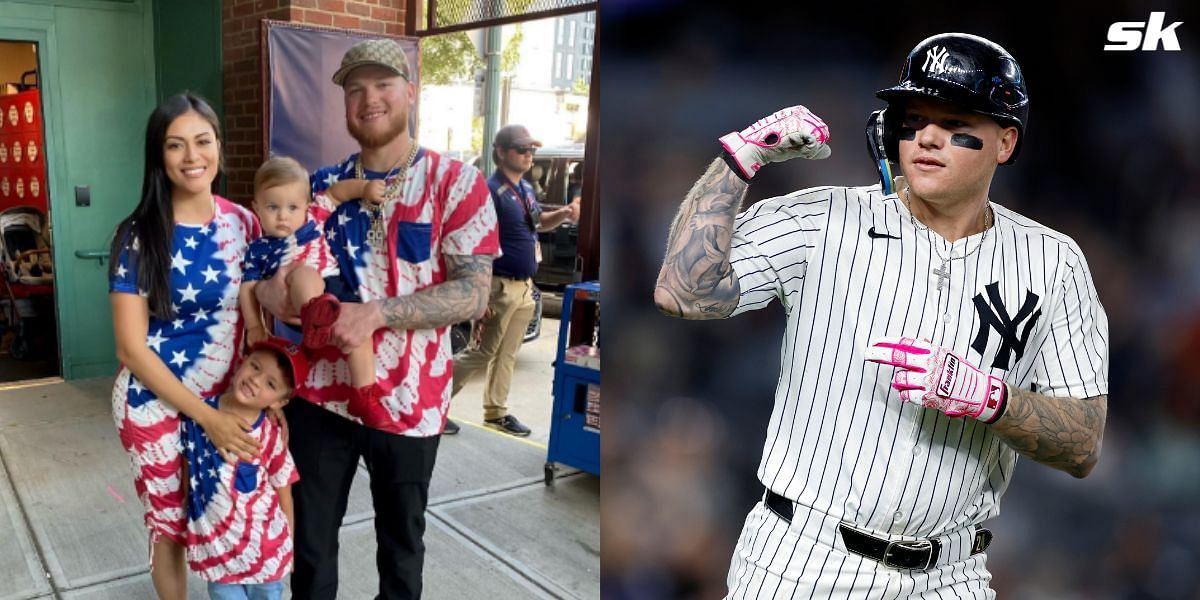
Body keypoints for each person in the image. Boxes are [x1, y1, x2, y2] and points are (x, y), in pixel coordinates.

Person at [654, 33, 1109, 597]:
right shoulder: (823, 218)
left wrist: (993, 400)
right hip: (803, 559)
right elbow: (683, 292)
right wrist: (740, 159)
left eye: (954, 121)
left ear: (1005, 142)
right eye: (913, 118)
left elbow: (1083, 446)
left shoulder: (1053, 261)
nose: (927, 138)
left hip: (952, 572)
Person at [253, 38, 499, 599]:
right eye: (355, 89)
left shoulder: (454, 182)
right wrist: (273, 293)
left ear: (410, 92)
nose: (370, 99)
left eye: (383, 85)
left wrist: (376, 314)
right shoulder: (317, 187)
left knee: (401, 548)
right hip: (320, 397)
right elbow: (274, 264)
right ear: (343, 103)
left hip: (410, 401)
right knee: (309, 547)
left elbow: (472, 293)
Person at [109, 92, 262, 600]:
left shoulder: (244, 223)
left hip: (231, 402)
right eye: (175, 146)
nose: (192, 157)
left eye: (202, 141)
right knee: (171, 528)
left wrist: (261, 398)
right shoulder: (137, 235)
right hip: (154, 404)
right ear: (159, 156)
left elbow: (256, 320)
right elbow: (131, 350)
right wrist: (207, 417)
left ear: (219, 144)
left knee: (234, 511)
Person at [446, 124, 579, 436]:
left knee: (506, 354)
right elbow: (472, 241)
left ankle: (496, 412)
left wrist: (564, 213)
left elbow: (537, 224)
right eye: (522, 149)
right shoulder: (489, 191)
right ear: (501, 152)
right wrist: (480, 292)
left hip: (523, 287)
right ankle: (430, 402)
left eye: (531, 149)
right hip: (499, 284)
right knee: (482, 351)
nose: (529, 154)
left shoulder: (526, 189)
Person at [239, 155, 385, 416]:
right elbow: (248, 287)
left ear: (306, 206)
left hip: (334, 285)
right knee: (302, 274)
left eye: (292, 208)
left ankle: (364, 392)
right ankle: (314, 314)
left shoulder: (313, 218)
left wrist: (364, 189)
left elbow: (336, 194)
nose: (283, 216)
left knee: (359, 335)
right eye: (272, 207)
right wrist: (255, 326)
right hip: (299, 293)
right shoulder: (258, 249)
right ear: (256, 208)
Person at [181, 336, 307, 599]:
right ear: (242, 361)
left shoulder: (271, 435)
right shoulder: (199, 415)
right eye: (255, 366)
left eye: (271, 384)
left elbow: (285, 493)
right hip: (219, 555)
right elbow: (186, 471)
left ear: (279, 403)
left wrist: (289, 546)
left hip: (266, 552)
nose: (256, 380)